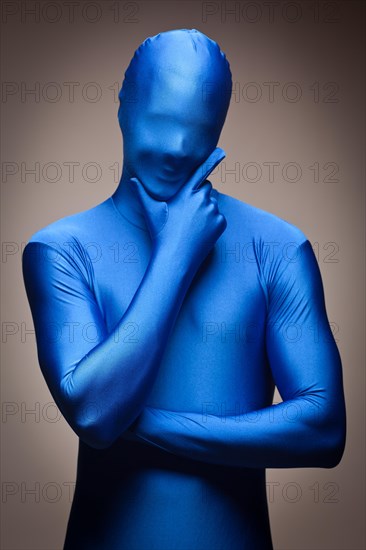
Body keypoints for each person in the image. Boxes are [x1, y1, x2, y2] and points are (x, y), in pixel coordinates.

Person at [22, 29, 346, 550]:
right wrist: (175, 256)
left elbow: (324, 429)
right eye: (161, 122)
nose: (176, 148)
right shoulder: (62, 249)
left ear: (220, 127)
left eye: (197, 130)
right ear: (123, 108)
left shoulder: (277, 247)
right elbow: (96, 415)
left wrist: (150, 424)